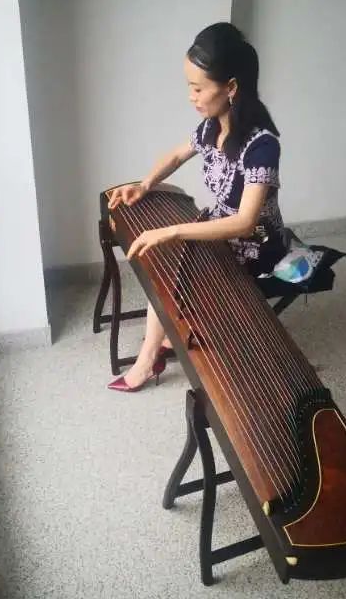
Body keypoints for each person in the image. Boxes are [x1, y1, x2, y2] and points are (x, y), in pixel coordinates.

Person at [107, 22, 286, 392]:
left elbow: (245, 222)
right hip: (221, 230)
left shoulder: (262, 146)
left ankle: (149, 357)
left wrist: (172, 230)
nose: (191, 96)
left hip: (257, 246)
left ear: (231, 87)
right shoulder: (211, 126)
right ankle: (157, 346)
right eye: (190, 86)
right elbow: (176, 155)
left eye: (198, 88)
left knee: (171, 263)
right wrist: (145, 184)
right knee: (165, 263)